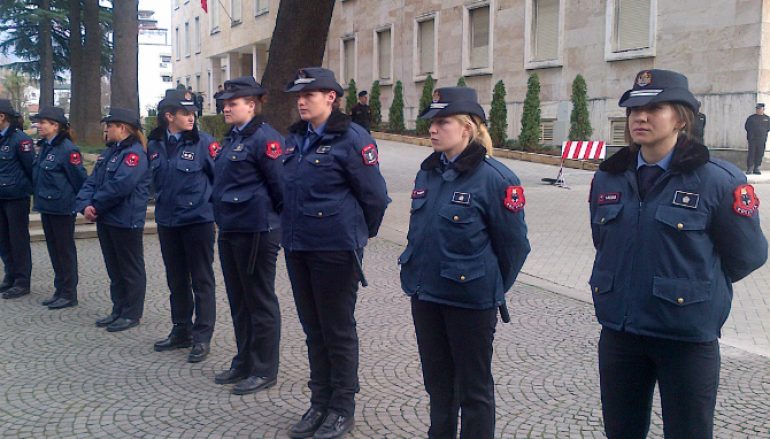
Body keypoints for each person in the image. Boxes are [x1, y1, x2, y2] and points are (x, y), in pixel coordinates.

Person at [589, 69, 768, 439]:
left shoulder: (717, 179)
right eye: (634, 109)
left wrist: (694, 283)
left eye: (654, 108)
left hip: (686, 336)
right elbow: (604, 242)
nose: (640, 117)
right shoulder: (609, 177)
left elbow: (748, 254)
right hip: (621, 332)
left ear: (681, 118)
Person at [398, 87, 530, 439]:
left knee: (474, 390)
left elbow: (515, 247)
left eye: (443, 122)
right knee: (438, 385)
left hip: (470, 301)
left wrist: (486, 285)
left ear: (467, 128)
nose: (432, 129)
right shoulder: (428, 172)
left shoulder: (496, 178)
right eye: (431, 121)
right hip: (427, 295)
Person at [282, 67, 389, 439]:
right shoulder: (296, 137)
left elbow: (375, 197)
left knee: (337, 329)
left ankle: (342, 408)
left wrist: (357, 234)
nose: (301, 101)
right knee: (313, 329)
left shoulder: (352, 138)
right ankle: (319, 402)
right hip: (298, 246)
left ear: (331, 97)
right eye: (298, 95)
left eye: (308, 95)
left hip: (335, 250)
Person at [210, 76, 284, 396]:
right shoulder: (232, 138)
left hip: (256, 230)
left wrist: (271, 223)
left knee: (259, 300)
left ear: (251, 105)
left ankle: (264, 368)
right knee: (239, 301)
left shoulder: (265, 139)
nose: (226, 108)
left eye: (232, 103)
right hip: (231, 228)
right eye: (224, 104)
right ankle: (244, 361)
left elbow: (281, 188)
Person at [148, 90, 217, 363]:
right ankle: (181, 330)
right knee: (176, 279)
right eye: (185, 113)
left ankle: (202, 337)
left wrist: (211, 210)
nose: (192, 117)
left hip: (197, 221)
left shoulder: (204, 142)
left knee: (201, 280)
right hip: (168, 221)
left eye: (193, 113)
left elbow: (219, 179)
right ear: (169, 116)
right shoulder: (155, 144)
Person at [75, 108, 151, 332]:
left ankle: (131, 313)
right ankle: (118, 309)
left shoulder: (135, 154)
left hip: (126, 220)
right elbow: (91, 181)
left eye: (109, 126)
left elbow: (121, 186)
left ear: (122, 128)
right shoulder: (109, 152)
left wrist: (96, 205)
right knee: (114, 269)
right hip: (107, 218)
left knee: (130, 269)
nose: (106, 130)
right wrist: (85, 204)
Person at [31, 107, 87, 309]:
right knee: (54, 250)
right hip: (47, 206)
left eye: (42, 122)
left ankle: (69, 293)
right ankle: (60, 289)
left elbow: (79, 180)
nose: (38, 126)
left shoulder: (68, 149)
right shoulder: (46, 147)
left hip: (62, 207)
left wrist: (81, 204)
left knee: (64, 251)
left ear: (55, 125)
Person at [0, 99, 34, 300]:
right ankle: (10, 274)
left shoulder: (21, 140)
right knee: (3, 239)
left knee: (18, 239)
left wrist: (26, 189)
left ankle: (22, 280)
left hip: (16, 198)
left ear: (2, 117)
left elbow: (31, 168)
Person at [744, 103, 770, 175]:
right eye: (757, 109)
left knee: (760, 153)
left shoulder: (767, 118)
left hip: (761, 140)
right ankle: (750, 168)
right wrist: (751, 134)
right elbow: (746, 126)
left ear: (763, 109)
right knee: (751, 153)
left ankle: (757, 168)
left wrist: (762, 133)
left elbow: (768, 128)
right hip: (752, 139)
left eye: (759, 109)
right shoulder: (751, 118)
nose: (758, 110)